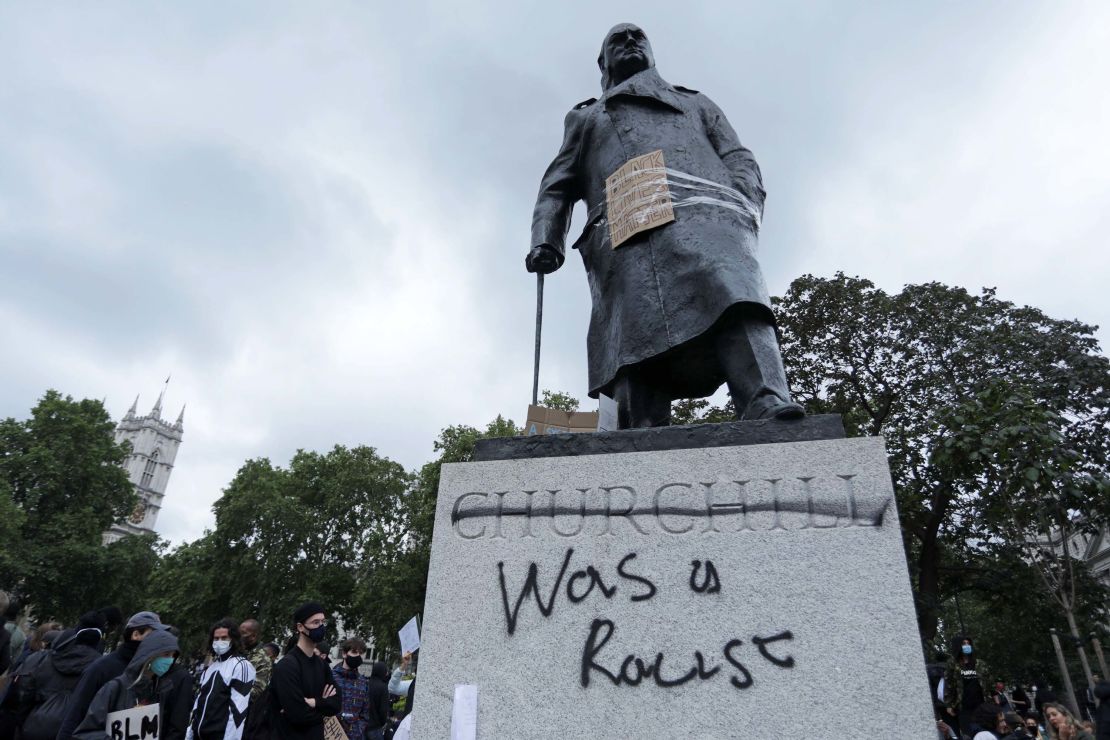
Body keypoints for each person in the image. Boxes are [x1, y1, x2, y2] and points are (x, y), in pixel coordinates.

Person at [526, 23, 804, 428]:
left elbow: (738, 154)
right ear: (603, 64)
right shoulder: (588, 118)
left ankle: (765, 397)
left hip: (708, 214)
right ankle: (639, 427)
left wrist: (742, 200)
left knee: (735, 293)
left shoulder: (695, 102)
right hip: (626, 226)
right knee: (633, 332)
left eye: (637, 37)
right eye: (617, 41)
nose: (629, 42)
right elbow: (557, 186)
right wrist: (546, 239)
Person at [56, 611, 168, 740]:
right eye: (153, 634)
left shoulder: (149, 672)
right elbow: (75, 714)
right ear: (136, 634)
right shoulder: (102, 668)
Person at [72, 628, 192, 740]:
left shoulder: (160, 690)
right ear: (150, 654)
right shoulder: (115, 688)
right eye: (166, 655)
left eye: (173, 655)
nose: (170, 660)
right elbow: (85, 733)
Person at [268, 602, 341, 740]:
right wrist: (324, 705)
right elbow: (298, 714)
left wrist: (314, 702)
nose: (321, 626)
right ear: (300, 627)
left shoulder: (322, 665)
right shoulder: (287, 666)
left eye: (322, 622)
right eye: (315, 622)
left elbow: (337, 703)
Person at [17, 623, 102, 740]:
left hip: (36, 723)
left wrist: (21, 721)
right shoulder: (98, 667)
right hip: (68, 730)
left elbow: (28, 692)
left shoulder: (49, 659)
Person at [186, 619, 255, 740]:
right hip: (199, 735)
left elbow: (237, 712)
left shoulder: (241, 666)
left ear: (233, 639)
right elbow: (198, 704)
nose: (219, 642)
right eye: (216, 638)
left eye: (224, 638)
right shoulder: (210, 668)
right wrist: (189, 734)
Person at [946, 636, 988, 737]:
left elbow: (988, 681)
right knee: (969, 734)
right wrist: (949, 705)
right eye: (964, 643)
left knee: (984, 732)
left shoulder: (979, 663)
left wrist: (994, 696)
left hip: (981, 705)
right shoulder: (953, 664)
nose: (966, 646)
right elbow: (949, 684)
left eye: (968, 643)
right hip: (964, 706)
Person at [330, 638, 370, 740]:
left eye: (360, 653)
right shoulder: (329, 677)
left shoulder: (363, 682)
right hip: (331, 734)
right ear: (344, 654)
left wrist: (357, 731)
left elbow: (365, 714)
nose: (357, 656)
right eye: (354, 652)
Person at [240, 619, 272, 740]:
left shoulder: (262, 659)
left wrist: (232, 693)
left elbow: (257, 691)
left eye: (243, 633)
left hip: (246, 717)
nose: (239, 636)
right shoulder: (238, 653)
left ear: (253, 636)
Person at [365, 662, 390, 740]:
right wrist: (382, 722)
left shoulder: (365, 683)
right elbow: (383, 710)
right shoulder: (383, 687)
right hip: (375, 727)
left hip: (362, 725)